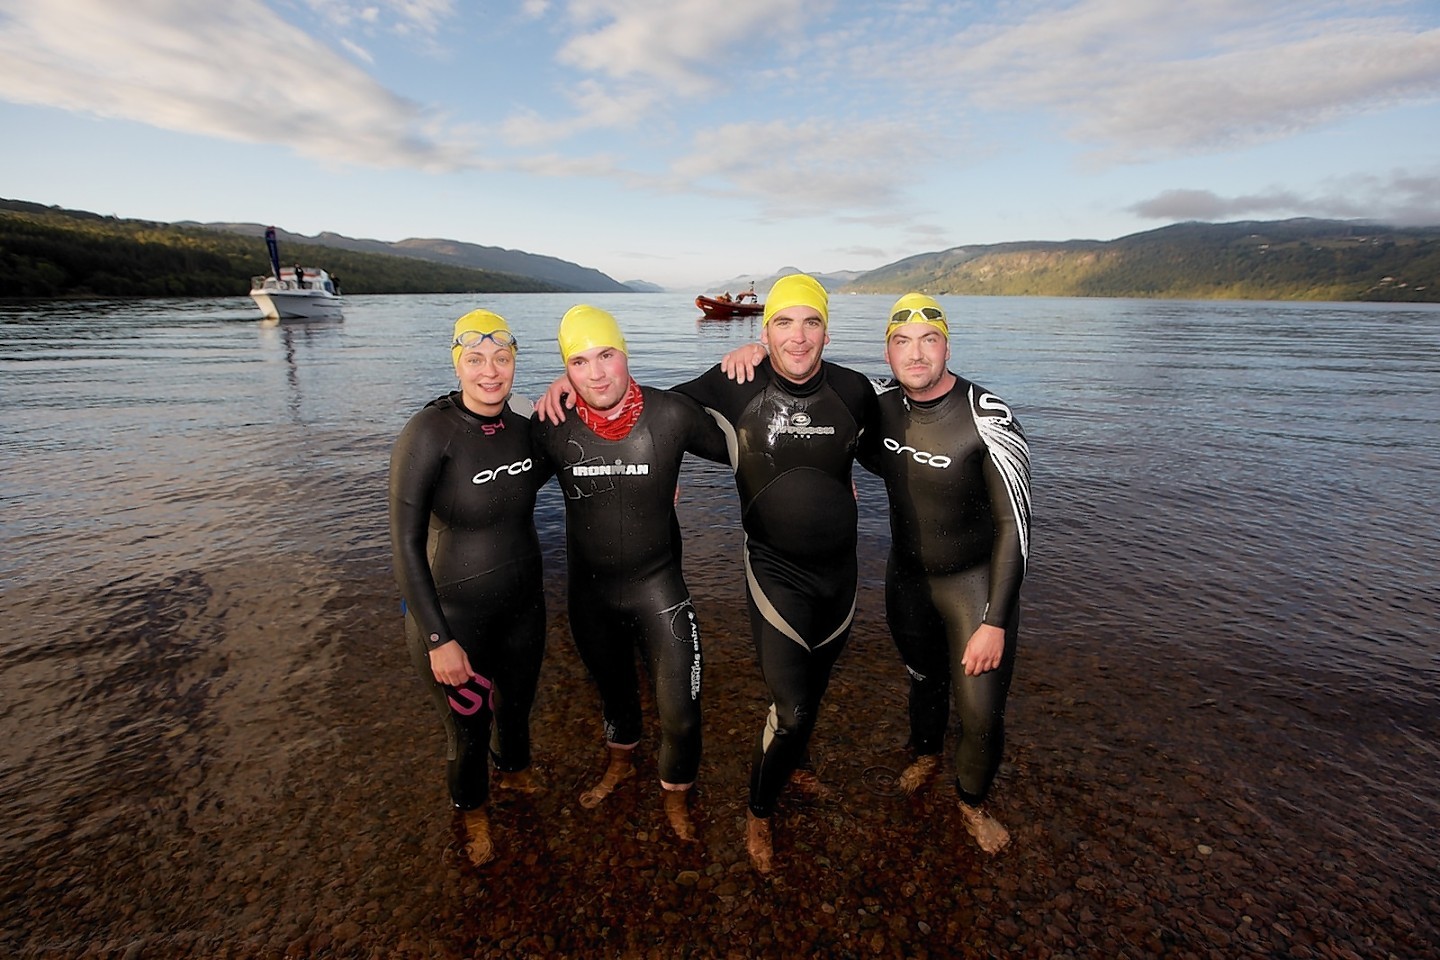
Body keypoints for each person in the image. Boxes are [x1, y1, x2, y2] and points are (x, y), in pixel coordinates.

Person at [729, 293, 1032, 852]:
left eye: (928, 340)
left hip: (974, 589)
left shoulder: (988, 417)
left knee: (981, 712)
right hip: (907, 582)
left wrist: (995, 619)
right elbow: (829, 437)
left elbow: (1017, 528)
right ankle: (925, 755)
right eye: (901, 342)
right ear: (887, 353)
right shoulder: (880, 408)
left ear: (947, 344)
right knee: (923, 680)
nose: (916, 354)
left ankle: (971, 804)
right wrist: (758, 356)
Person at [672, 274, 878, 873]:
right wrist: (564, 390)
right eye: (783, 323)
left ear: (827, 331)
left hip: (841, 577)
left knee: (812, 696)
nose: (798, 335)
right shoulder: (738, 382)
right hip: (775, 573)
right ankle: (759, 813)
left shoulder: (855, 390)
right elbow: (658, 409)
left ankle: (800, 767)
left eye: (810, 322)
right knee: (790, 710)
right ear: (765, 331)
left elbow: (892, 442)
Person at [532, 305, 728, 842]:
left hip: (658, 588)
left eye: (606, 355)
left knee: (683, 716)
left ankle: (676, 798)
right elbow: (488, 488)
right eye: (579, 362)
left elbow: (753, 447)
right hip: (590, 598)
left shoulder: (671, 415)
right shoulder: (552, 426)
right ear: (566, 372)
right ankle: (619, 765)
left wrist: (753, 357)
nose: (596, 373)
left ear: (626, 355)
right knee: (615, 697)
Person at [388, 309, 553, 866]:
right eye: (476, 359)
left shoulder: (526, 425)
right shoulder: (430, 432)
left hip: (524, 609)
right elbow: (405, 544)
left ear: (514, 365)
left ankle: (518, 781)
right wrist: (439, 639)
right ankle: (474, 813)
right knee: (468, 730)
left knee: (517, 712)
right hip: (454, 618)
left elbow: (589, 446)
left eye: (502, 359)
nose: (490, 372)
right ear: (456, 363)